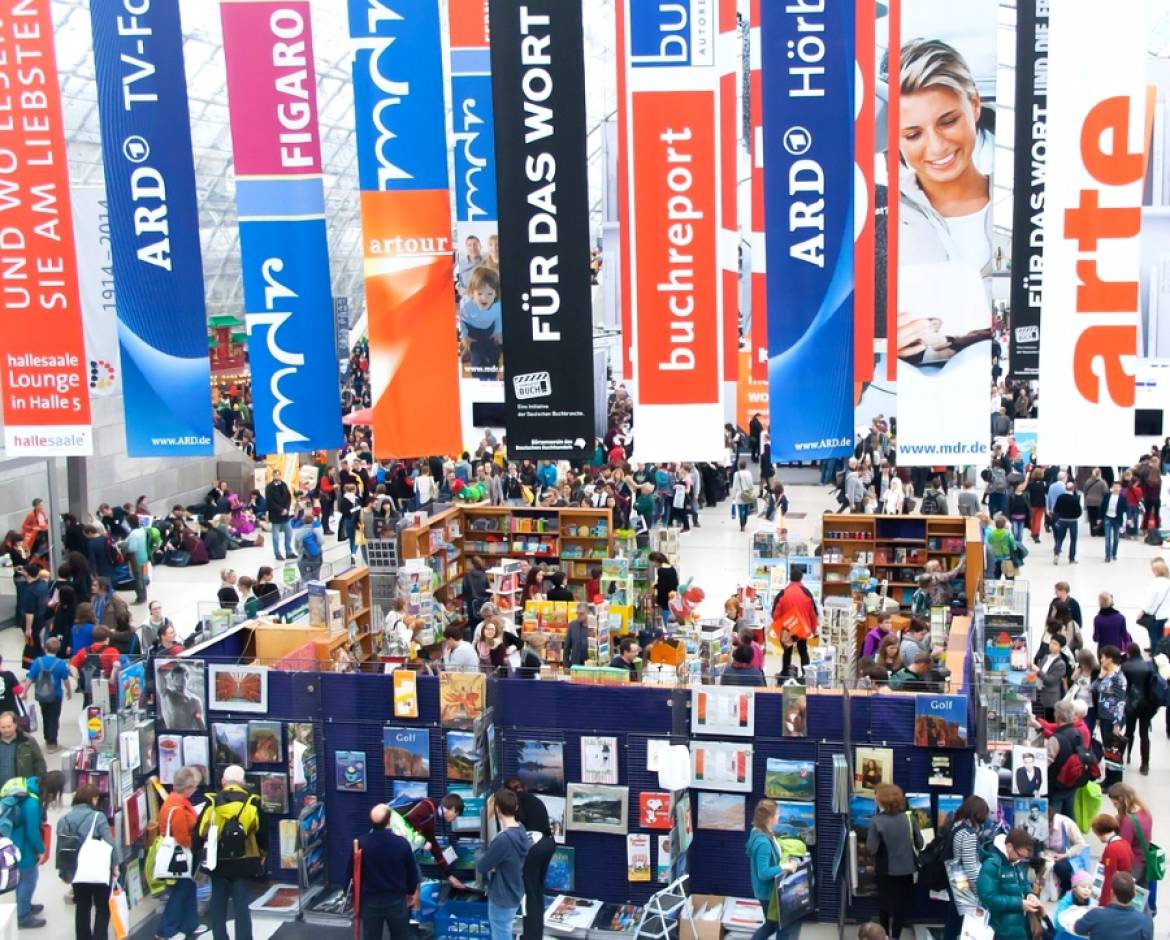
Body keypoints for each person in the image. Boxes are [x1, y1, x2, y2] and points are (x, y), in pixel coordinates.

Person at [197, 765, 266, 940]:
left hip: (217, 861)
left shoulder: (212, 802)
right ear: (243, 782)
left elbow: (200, 831)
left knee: (218, 905)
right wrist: (263, 853)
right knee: (242, 906)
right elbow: (262, 832)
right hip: (244, 861)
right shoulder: (252, 802)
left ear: (223, 781)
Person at [349, 803, 420, 940]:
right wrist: (411, 892)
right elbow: (412, 872)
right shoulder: (402, 843)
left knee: (371, 936)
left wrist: (352, 897)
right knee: (400, 936)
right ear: (389, 820)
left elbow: (351, 873)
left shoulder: (361, 843)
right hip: (396, 900)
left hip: (369, 901)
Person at [56, 781, 117, 939]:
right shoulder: (98, 817)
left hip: (77, 871)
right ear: (94, 799)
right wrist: (115, 865)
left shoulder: (64, 820)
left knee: (82, 907)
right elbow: (110, 843)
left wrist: (64, 872)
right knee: (102, 907)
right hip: (98, 870)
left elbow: (61, 849)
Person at [866, 784, 922, 940]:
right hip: (907, 870)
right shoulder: (909, 818)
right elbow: (920, 843)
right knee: (900, 908)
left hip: (885, 871)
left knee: (884, 907)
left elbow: (872, 848)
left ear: (882, 801)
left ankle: (883, 936)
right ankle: (896, 937)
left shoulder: (877, 821)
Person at [503, 779, 555, 940]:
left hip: (535, 847)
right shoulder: (535, 799)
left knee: (529, 894)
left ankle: (530, 937)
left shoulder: (518, 800)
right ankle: (536, 934)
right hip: (549, 843)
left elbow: (521, 821)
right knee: (538, 891)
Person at [476, 788, 530, 940]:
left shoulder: (503, 840)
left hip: (501, 895)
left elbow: (482, 866)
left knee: (500, 932)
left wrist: (491, 864)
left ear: (497, 810)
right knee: (504, 929)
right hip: (515, 889)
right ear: (516, 808)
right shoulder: (521, 830)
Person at [156, 766, 202, 940]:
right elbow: (182, 837)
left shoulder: (172, 802)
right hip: (181, 856)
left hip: (180, 855)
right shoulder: (178, 807)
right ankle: (165, 930)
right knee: (181, 891)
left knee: (188, 888)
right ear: (188, 788)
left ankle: (189, 924)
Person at [745, 799, 802, 940]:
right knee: (784, 927)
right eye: (777, 814)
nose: (779, 817)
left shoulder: (759, 832)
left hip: (767, 892)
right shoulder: (762, 843)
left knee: (771, 925)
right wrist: (784, 866)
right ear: (769, 818)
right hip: (768, 894)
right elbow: (763, 873)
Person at [977, 828, 1043, 940]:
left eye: (1024, 857)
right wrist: (1019, 904)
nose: (1021, 859)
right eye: (1020, 855)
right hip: (1000, 928)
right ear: (1009, 846)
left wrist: (1029, 894)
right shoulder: (991, 864)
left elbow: (1023, 883)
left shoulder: (1015, 862)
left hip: (1018, 926)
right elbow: (987, 898)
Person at [943, 796, 988, 940]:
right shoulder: (968, 833)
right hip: (962, 881)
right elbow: (970, 866)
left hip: (954, 876)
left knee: (953, 919)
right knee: (966, 923)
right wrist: (978, 891)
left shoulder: (956, 825)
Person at [4, 775, 45, 927]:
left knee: (26, 878)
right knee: (29, 878)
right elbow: (32, 831)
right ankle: (23, 916)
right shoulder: (32, 803)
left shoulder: (29, 786)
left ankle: (25, 906)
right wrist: (41, 850)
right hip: (21, 845)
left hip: (16, 839)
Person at [1108, 783, 1156, 910]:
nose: (1115, 807)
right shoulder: (1145, 811)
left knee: (1127, 898)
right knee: (1141, 898)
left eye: (1115, 804)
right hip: (1144, 860)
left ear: (1123, 800)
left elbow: (1123, 846)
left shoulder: (1128, 821)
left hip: (1133, 865)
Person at [1074, 872, 1153, 940]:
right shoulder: (1144, 921)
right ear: (1134, 894)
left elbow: (1078, 928)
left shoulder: (1095, 915)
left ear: (1112, 892)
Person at [772, 568, 819, 678]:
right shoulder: (807, 593)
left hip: (787, 628)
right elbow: (813, 613)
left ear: (790, 578)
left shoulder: (783, 593)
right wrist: (812, 629)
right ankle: (806, 675)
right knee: (803, 650)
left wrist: (779, 630)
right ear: (801, 578)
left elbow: (775, 614)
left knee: (787, 651)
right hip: (802, 628)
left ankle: (785, 674)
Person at [25, 638, 70, 752]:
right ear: (58, 650)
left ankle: (46, 738)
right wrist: (69, 691)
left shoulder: (37, 661)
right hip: (56, 695)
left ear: (45, 648)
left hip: (41, 694)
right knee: (54, 718)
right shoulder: (60, 664)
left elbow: (30, 678)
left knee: (45, 716)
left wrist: (24, 692)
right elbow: (65, 680)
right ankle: (52, 743)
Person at [1120, 644, 1156, 774]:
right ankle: (1145, 764)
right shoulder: (1149, 665)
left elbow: (1123, 686)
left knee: (1129, 732)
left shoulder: (1125, 666)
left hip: (1131, 704)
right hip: (1147, 704)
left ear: (1129, 653)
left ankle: (1122, 757)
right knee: (1144, 734)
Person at [1091, 814, 1135, 906]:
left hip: (1116, 893)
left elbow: (1109, 878)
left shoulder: (1111, 849)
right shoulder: (1124, 843)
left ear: (1100, 833)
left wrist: (1103, 903)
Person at [0, 710, 45, 790]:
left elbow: (39, 763)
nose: (6, 730)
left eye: (9, 726)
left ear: (15, 725)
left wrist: (39, 784)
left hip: (23, 791)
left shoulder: (28, 741)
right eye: (3, 727)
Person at [1095, 646, 1128, 750]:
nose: (1101, 660)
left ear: (1110, 659)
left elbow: (1120, 701)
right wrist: (1100, 677)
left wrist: (1117, 724)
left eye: (1103, 657)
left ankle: (1111, 767)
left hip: (1112, 718)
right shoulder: (1107, 675)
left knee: (1112, 750)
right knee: (1107, 748)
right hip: (1104, 716)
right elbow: (1094, 688)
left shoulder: (1118, 678)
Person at [1036, 635, 1069, 722]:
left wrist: (1037, 670)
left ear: (1060, 648)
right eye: (1051, 642)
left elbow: (1049, 680)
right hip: (1040, 693)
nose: (1051, 645)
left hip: (1051, 698)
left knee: (1049, 721)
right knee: (1040, 720)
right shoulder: (1045, 657)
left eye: (1055, 644)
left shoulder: (1061, 664)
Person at [1139, 558, 1170, 649]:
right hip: (1165, 614)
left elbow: (1150, 600)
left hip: (1154, 614)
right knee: (1160, 635)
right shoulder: (1168, 582)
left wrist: (1143, 611)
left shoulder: (1154, 583)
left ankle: (1155, 654)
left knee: (1153, 636)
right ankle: (1161, 652)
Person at [1053, 871, 1094, 940]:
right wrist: (1068, 912)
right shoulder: (1066, 901)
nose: (1087, 890)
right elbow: (1057, 923)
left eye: (1089, 888)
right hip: (1065, 936)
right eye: (1083, 886)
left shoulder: (1089, 902)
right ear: (1074, 887)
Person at [265, 470, 293, 560]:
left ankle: (289, 551)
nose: (277, 477)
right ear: (273, 476)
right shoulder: (269, 487)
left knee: (289, 533)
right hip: (275, 515)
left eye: (278, 475)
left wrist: (287, 509)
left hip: (285, 515)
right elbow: (270, 501)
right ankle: (277, 553)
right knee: (276, 536)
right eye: (275, 475)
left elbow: (289, 497)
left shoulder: (284, 485)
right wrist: (280, 509)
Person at [1052, 481, 1082, 565]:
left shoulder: (1060, 497)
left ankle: (1057, 553)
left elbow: (1056, 509)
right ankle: (1071, 558)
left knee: (1060, 538)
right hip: (1072, 521)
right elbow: (1079, 512)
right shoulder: (1075, 499)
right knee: (1073, 540)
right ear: (1073, 488)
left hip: (1062, 520)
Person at [649, 552, 679, 631]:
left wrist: (654, 586)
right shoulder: (671, 568)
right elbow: (675, 583)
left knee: (668, 625)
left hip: (666, 601)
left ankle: (671, 641)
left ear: (656, 560)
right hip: (673, 600)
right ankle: (673, 640)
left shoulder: (661, 570)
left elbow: (662, 587)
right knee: (672, 625)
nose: (652, 564)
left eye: (652, 561)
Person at [563, 604, 591, 669]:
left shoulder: (594, 626)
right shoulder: (572, 626)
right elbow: (567, 648)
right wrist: (566, 666)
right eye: (577, 613)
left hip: (591, 666)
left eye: (581, 614)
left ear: (588, 613)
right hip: (576, 665)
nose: (578, 616)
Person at [732, 460, 756, 531]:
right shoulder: (749, 473)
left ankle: (741, 523)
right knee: (746, 509)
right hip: (747, 494)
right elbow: (751, 485)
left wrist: (733, 495)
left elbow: (734, 485)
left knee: (740, 509)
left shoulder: (736, 474)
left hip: (739, 494)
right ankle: (744, 522)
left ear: (739, 466)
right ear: (746, 466)